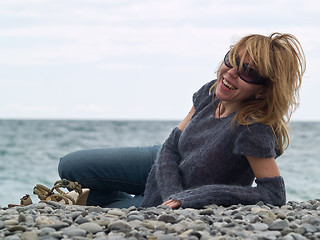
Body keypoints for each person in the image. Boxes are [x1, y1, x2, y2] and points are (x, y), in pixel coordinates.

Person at [58, 32, 305, 209]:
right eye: (232, 59)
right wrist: (172, 190)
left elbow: (273, 193)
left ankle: (118, 199)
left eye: (248, 72)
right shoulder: (210, 92)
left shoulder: (253, 129)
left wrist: (193, 198)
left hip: (174, 195)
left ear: (263, 90)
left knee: (92, 207)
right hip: (164, 163)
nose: (230, 72)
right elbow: (171, 144)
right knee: (70, 166)